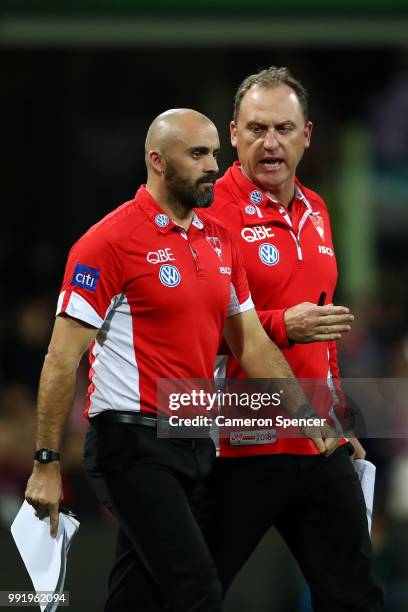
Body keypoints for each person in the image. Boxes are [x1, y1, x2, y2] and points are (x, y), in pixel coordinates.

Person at [24, 108, 334, 612]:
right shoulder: (108, 243)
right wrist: (46, 462)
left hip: (194, 441)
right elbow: (61, 359)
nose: (213, 165)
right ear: (157, 161)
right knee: (197, 591)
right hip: (131, 440)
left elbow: (251, 344)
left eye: (214, 152)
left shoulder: (220, 240)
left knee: (139, 595)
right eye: (197, 154)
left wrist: (306, 411)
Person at [205, 68, 384, 611]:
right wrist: (284, 324)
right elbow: (193, 333)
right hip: (235, 443)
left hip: (315, 440)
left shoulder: (320, 212)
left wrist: (339, 418)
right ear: (233, 134)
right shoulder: (208, 215)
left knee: (355, 596)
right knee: (188, 593)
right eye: (256, 128)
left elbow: (324, 332)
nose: (271, 142)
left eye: (284, 128)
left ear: (308, 136)